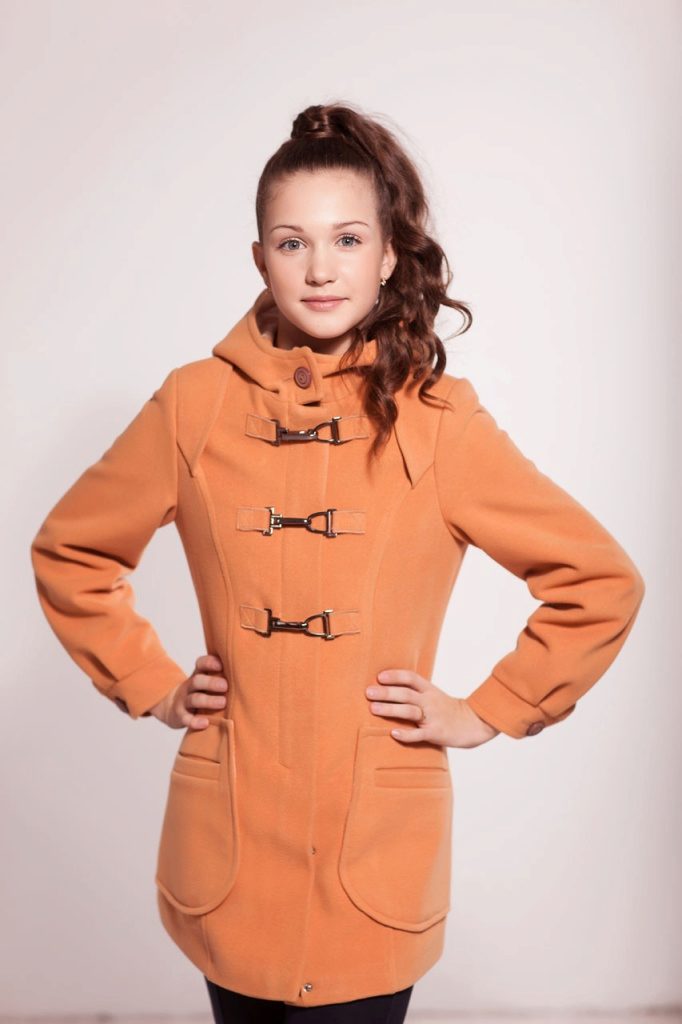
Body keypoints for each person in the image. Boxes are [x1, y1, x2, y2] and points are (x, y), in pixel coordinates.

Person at [29, 101, 646, 1023]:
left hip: (376, 851)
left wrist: (490, 710)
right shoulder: (193, 405)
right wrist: (152, 684)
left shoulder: (440, 422)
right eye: (293, 242)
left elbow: (599, 580)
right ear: (260, 258)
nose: (320, 269)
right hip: (229, 845)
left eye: (348, 239)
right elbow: (71, 549)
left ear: (389, 254)